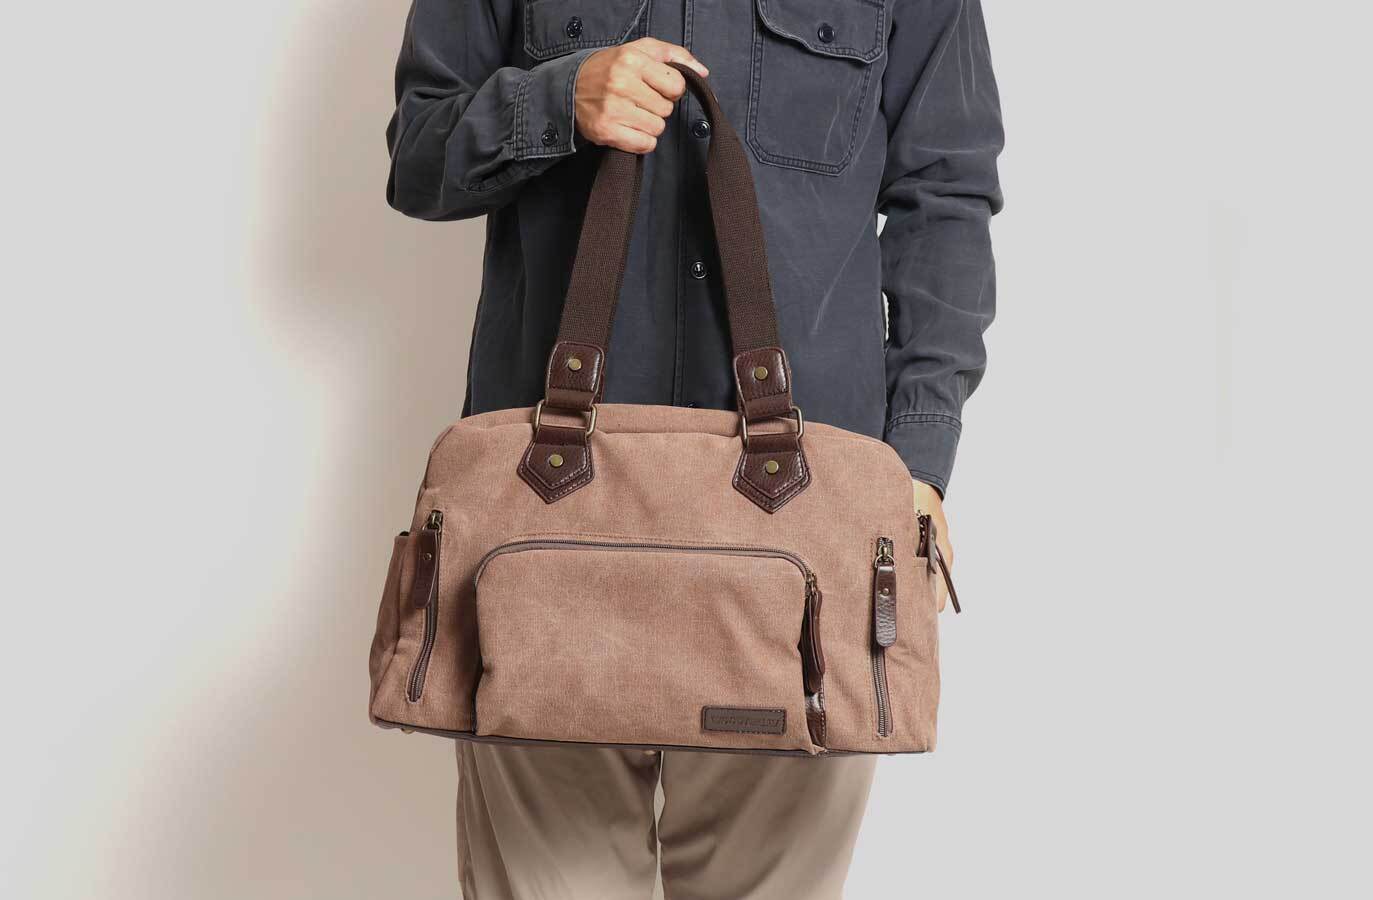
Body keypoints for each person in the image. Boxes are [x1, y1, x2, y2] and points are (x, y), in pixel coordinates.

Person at [385, 2, 1002, 897]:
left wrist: (919, 458)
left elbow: (945, 199)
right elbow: (417, 156)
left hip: (806, 549)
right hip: (546, 546)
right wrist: (558, 102)